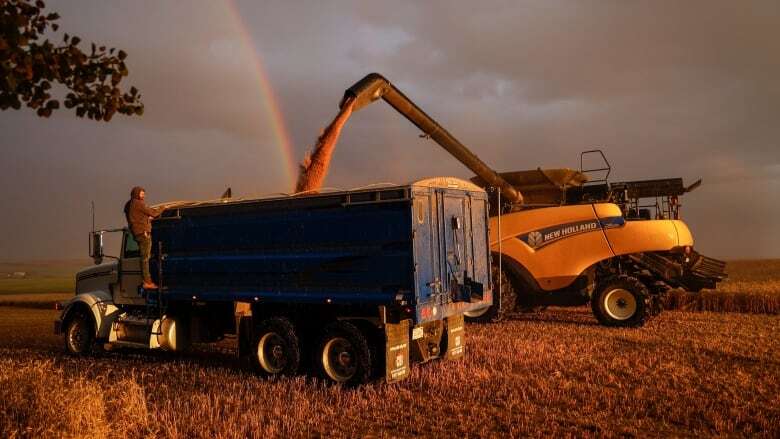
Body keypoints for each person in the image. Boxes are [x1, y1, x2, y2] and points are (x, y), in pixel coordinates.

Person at [124, 186, 161, 289]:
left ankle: (147, 280)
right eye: (142, 193)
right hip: (143, 233)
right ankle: (147, 282)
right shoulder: (138, 203)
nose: (144, 196)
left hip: (137, 233)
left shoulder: (129, 204)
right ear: (136, 193)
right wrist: (162, 208)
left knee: (144, 257)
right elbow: (153, 213)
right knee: (145, 258)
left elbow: (135, 217)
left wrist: (146, 218)